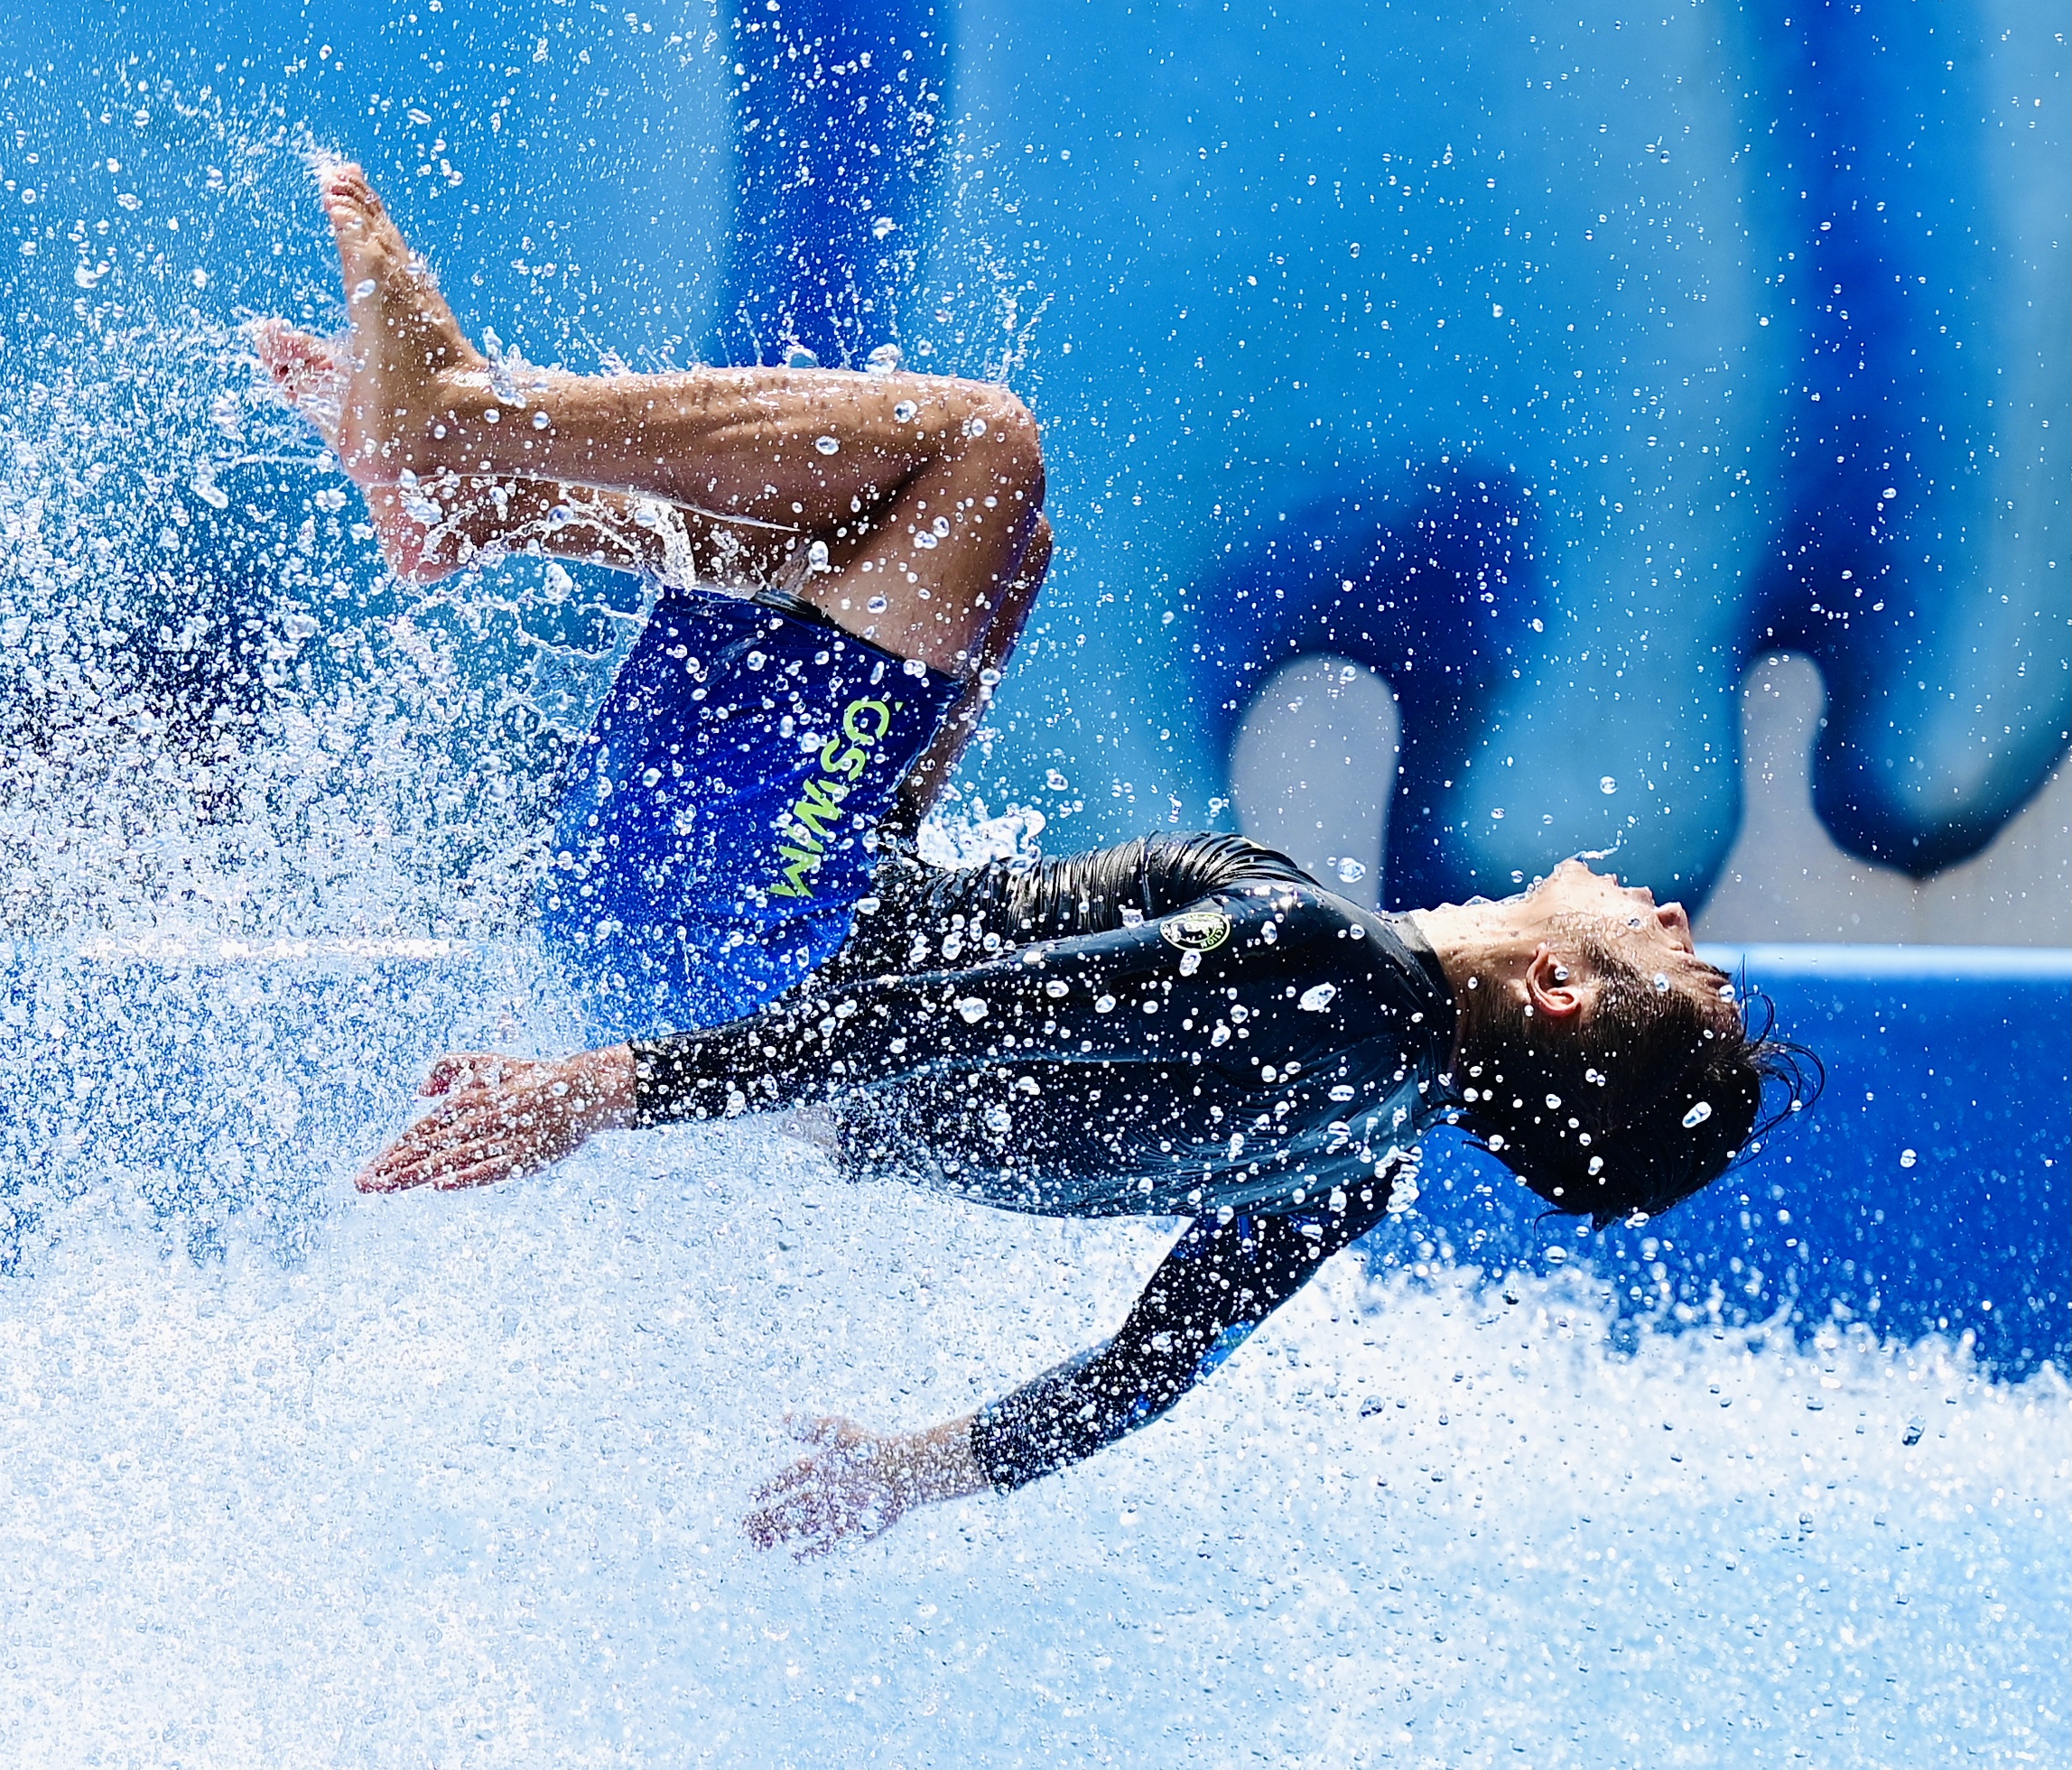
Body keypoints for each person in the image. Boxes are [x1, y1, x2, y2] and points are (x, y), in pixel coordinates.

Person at [260, 161, 1812, 1561]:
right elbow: (1141, 1375)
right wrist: (903, 1475)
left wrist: (611, 1092)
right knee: (981, 551)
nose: (1673, 910)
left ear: (1555, 989)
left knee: (979, 454)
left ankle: (470, 418)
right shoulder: (1352, 1162)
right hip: (731, 930)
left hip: (735, 930)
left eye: (1677, 950)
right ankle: (498, 498)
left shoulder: (1342, 969)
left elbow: (983, 1012)